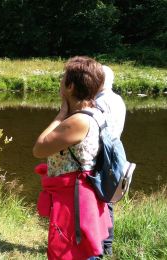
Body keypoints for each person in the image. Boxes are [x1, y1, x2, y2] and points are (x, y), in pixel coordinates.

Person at [33, 56, 112, 260]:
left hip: (73, 198)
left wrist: (60, 115)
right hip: (83, 192)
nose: (60, 82)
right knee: (81, 248)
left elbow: (39, 148)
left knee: (70, 250)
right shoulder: (95, 112)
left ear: (70, 86)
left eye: (63, 78)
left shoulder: (77, 120)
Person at [96, 65, 126, 256]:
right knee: (108, 199)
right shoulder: (118, 99)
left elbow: (98, 134)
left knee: (100, 200)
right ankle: (106, 246)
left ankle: (101, 245)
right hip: (116, 153)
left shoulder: (100, 102)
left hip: (102, 155)